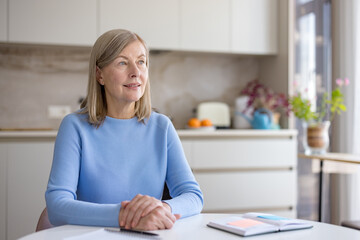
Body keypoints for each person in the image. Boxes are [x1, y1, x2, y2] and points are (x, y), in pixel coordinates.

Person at [45, 29, 203, 230]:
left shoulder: (162, 127)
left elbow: (193, 196)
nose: (135, 72)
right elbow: (57, 206)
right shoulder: (74, 127)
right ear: (99, 74)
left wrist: (162, 208)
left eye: (141, 62)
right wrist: (124, 216)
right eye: (122, 62)